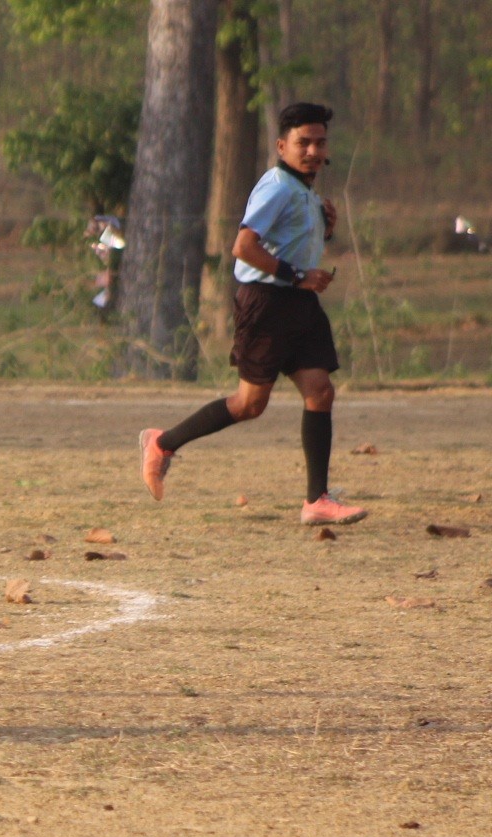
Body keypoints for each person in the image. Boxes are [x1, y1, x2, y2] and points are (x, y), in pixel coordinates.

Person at [139, 102, 364, 526]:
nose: (314, 150)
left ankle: (317, 501)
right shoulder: (277, 186)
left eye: (320, 142)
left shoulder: (303, 189)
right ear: (282, 146)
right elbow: (243, 247)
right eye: (303, 142)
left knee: (320, 390)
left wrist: (325, 227)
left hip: (299, 304)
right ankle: (162, 443)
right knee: (249, 404)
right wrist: (297, 275)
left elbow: (289, 240)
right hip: (267, 302)